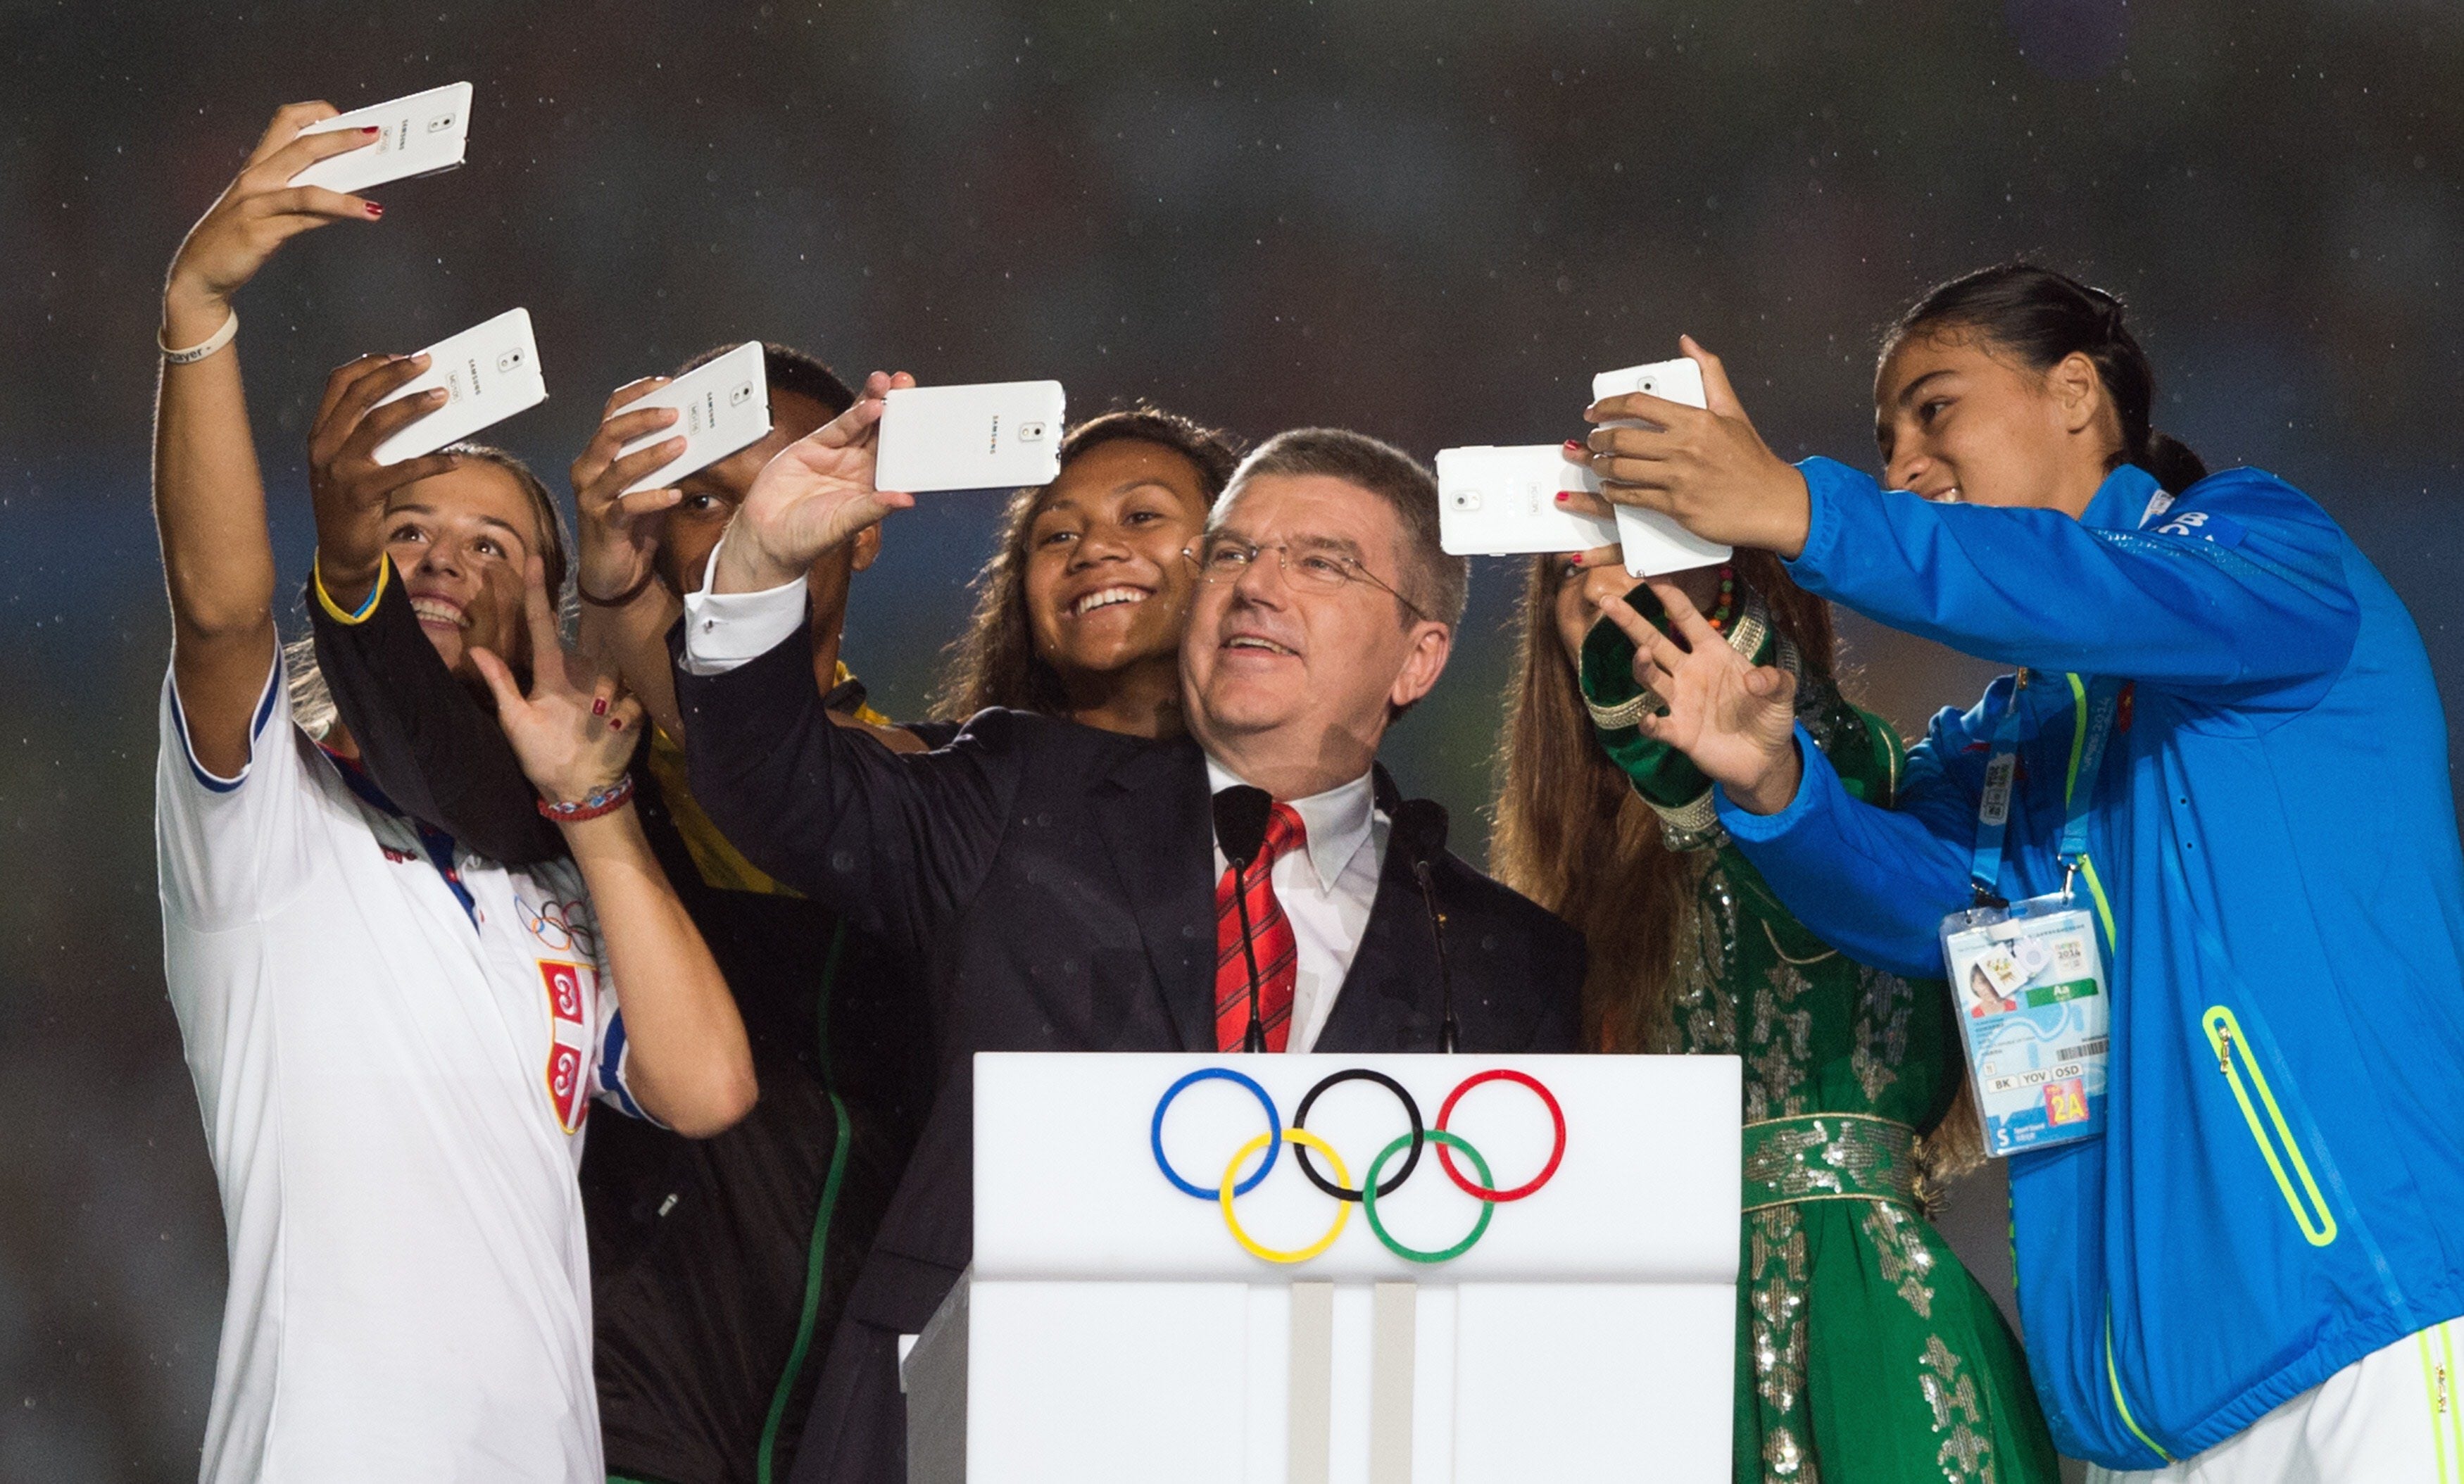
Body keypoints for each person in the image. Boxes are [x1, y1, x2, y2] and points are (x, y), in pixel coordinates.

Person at [1571, 268, 2464, 1480]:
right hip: (2134, 1406)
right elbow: (1914, 907)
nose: (1904, 465)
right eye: (1882, 446)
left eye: (1936, 410)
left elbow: (2088, 588)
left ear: (2079, 394)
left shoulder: (2267, 556)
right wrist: (1772, 780)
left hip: (2357, 1327)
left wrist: (1802, 508)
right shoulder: (2009, 736)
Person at [675, 402, 1588, 1484]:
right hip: (978, 1431)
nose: (1256, 582)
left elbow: (1512, 1306)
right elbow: (776, 784)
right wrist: (762, 560)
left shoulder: (1504, 962)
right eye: (1236, 551)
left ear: (1418, 659)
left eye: (1323, 563)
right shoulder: (1018, 795)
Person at [152, 103, 756, 1483]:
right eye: (405, 526)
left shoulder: (549, 882)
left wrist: (595, 815)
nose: (436, 558)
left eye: (488, 540)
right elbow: (220, 610)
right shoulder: (261, 825)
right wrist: (199, 315)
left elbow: (707, 1083)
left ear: (541, 605)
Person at [309, 340, 934, 1484]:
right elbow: (424, 753)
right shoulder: (591, 770)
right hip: (620, 1428)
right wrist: (358, 571)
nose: (752, 523)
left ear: (867, 521)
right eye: (698, 499)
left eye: (784, 483)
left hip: (867, 1432)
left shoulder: (945, 794)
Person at [1490, 545, 2059, 1483]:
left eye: (1637, 548)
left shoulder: (1855, 771)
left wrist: (1748, 727)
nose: (1603, 586)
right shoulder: (1569, 874)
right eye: (1568, 572)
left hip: (1870, 1308)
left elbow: (1792, 771)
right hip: (1660, 1335)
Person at [931, 405, 1240, 735]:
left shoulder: (1293, 771)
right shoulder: (968, 766)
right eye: (1060, 536)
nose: (1092, 548)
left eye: (1141, 517)